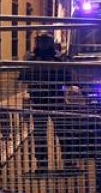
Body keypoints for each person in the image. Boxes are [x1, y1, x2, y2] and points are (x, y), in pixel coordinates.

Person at [19, 31, 72, 173]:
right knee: (47, 132)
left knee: (59, 131)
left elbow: (24, 77)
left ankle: (62, 162)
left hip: (48, 99)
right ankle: (50, 163)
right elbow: (24, 76)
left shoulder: (53, 58)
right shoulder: (43, 58)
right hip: (46, 99)